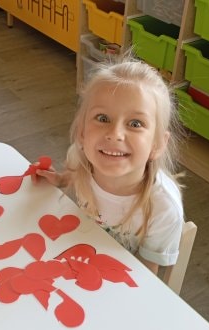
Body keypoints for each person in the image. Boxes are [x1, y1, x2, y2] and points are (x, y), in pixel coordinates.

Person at [36, 56, 184, 275]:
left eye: (135, 123)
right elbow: (74, 176)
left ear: (157, 144)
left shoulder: (163, 208)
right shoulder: (80, 159)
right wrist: (59, 180)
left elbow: (147, 273)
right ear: (82, 133)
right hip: (77, 256)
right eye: (103, 118)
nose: (115, 134)